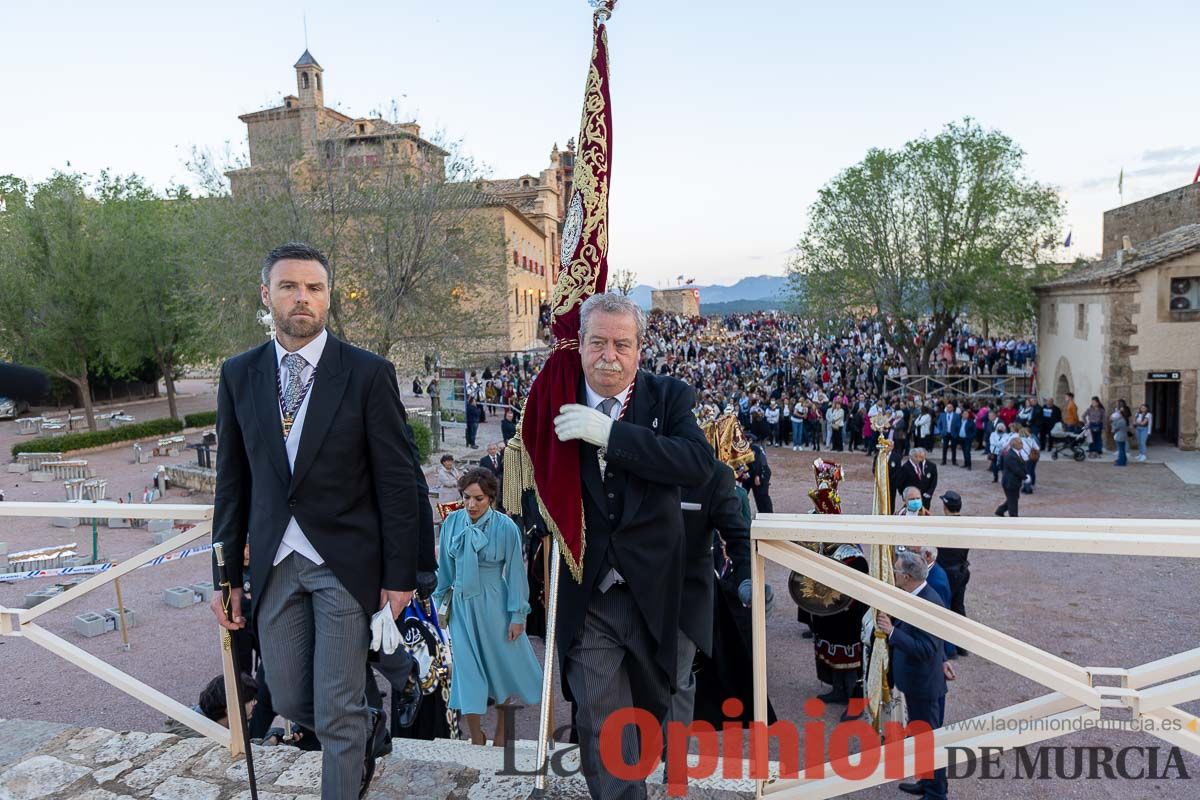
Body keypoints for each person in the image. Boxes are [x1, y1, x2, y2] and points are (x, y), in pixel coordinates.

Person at [211, 242, 420, 799]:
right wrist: (226, 578)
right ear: (266, 295)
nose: (302, 298)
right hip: (276, 563)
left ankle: (349, 741)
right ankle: (365, 720)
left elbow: (399, 482)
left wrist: (401, 577)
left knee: (334, 713)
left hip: (345, 563)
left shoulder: (368, 373)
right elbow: (231, 484)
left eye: (314, 288)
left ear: (328, 297)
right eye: (289, 286)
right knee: (288, 696)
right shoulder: (238, 375)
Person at [551, 293, 714, 800]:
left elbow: (696, 465)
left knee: (646, 717)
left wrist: (611, 434)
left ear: (639, 350)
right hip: (589, 594)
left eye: (622, 344)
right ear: (580, 346)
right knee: (603, 722)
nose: (609, 355)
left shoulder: (669, 397)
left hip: (653, 595)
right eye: (597, 342)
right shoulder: (554, 401)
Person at [434, 468, 542, 746]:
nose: (471, 504)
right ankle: (475, 734)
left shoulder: (506, 527)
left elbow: (517, 573)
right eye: (466, 497)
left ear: (491, 498)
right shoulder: (452, 523)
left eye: (478, 498)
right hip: (461, 606)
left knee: (501, 667)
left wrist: (517, 615)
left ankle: (501, 731)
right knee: (467, 671)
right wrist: (438, 606)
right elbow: (444, 570)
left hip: (495, 603)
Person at [876, 550, 953, 800]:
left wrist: (892, 633)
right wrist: (942, 661)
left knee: (930, 740)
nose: (894, 575)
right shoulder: (917, 594)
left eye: (897, 571)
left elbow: (926, 647)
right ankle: (927, 782)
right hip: (918, 681)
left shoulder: (928, 602)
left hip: (924, 686)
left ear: (907, 577)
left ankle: (936, 793)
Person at [936, 491, 970, 656]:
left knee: (943, 608)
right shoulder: (965, 524)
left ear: (945, 506)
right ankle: (961, 646)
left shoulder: (942, 526)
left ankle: (947, 649)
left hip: (946, 573)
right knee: (959, 607)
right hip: (962, 570)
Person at [995, 436, 1027, 517]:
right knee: (1013, 500)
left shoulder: (1016, 453)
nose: (1022, 444)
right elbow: (1016, 469)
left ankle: (1000, 510)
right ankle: (1013, 517)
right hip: (1010, 482)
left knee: (1013, 498)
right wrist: (1025, 477)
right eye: (1020, 443)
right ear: (1015, 444)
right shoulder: (1011, 455)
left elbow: (1021, 466)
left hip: (1013, 481)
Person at [746, 438, 774, 513]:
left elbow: (758, 463)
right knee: (758, 496)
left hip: (760, 473)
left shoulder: (754, 448)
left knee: (761, 496)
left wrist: (757, 475)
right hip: (755, 473)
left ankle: (767, 514)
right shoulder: (755, 447)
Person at [1111, 400, 1130, 467]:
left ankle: (1121, 462)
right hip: (1122, 436)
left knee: (1121, 450)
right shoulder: (1123, 420)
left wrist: (1113, 423)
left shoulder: (1121, 421)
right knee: (1122, 449)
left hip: (1120, 436)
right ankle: (1123, 459)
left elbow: (1115, 428)